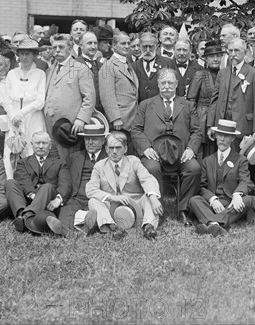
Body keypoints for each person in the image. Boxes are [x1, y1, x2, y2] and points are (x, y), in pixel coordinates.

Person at [131, 68, 202, 226]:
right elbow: (135, 130)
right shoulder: (146, 105)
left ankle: (183, 210)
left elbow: (197, 131)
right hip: (154, 154)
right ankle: (157, 209)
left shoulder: (188, 106)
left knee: (194, 168)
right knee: (151, 168)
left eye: (170, 82)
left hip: (181, 154)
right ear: (158, 84)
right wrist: (146, 149)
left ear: (177, 84)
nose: (167, 86)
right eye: (163, 82)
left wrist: (191, 149)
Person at [86, 131, 163, 240]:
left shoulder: (133, 161)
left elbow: (147, 179)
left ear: (125, 149)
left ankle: (148, 227)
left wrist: (153, 197)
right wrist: (112, 197)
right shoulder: (99, 166)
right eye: (111, 148)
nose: (114, 152)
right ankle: (114, 228)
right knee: (93, 201)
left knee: (149, 196)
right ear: (106, 149)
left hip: (135, 206)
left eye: (118, 148)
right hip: (112, 209)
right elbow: (90, 189)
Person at [188, 120, 254, 237]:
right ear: (216, 136)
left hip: (231, 204)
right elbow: (201, 187)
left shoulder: (240, 160)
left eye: (226, 136)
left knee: (247, 200)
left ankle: (212, 223)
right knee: (194, 200)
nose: (222, 139)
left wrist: (238, 194)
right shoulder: (207, 161)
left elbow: (246, 181)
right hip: (213, 205)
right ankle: (216, 225)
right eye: (220, 135)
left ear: (233, 138)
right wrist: (213, 199)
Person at [6, 131, 69, 235]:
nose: (40, 146)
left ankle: (25, 217)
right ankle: (22, 215)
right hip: (28, 199)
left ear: (50, 145)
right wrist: (33, 195)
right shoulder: (23, 162)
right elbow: (22, 179)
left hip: (49, 202)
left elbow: (66, 184)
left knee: (47, 186)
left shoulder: (60, 163)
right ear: (32, 144)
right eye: (37, 143)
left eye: (44, 143)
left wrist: (58, 199)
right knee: (10, 183)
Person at [207, 38, 255, 151]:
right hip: (222, 123)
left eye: (237, 51)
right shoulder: (222, 72)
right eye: (230, 51)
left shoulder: (253, 73)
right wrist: (210, 125)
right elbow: (214, 100)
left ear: (245, 51)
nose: (233, 54)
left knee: (239, 158)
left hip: (242, 124)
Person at [44, 35, 95, 160]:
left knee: (70, 161)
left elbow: (89, 97)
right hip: (49, 125)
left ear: (70, 48)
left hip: (69, 126)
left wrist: (81, 120)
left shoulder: (80, 69)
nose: (57, 50)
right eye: (54, 47)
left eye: (61, 47)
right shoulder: (50, 70)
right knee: (53, 161)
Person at [4, 38, 47, 177]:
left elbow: (40, 101)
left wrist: (21, 114)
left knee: (32, 149)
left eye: (28, 54)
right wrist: (13, 116)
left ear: (34, 55)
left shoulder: (40, 74)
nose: (24, 57)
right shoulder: (12, 73)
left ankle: (34, 184)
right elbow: (6, 99)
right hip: (13, 117)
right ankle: (11, 184)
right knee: (12, 149)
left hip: (33, 116)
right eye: (21, 54)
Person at [56, 123, 108, 234]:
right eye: (87, 139)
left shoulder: (109, 157)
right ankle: (67, 231)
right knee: (66, 211)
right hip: (77, 197)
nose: (90, 142)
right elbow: (66, 180)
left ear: (103, 141)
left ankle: (85, 227)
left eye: (94, 139)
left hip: (97, 198)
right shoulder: (74, 157)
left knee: (94, 213)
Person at [187, 41, 223, 159]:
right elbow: (191, 100)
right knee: (202, 151)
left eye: (218, 56)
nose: (215, 59)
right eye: (212, 56)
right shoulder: (200, 74)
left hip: (219, 116)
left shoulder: (224, 74)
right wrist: (193, 121)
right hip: (202, 117)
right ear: (206, 59)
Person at [99, 32, 139, 134]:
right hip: (120, 122)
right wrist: (115, 118)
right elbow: (107, 96)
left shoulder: (127, 64)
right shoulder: (108, 66)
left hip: (132, 120)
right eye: (123, 44)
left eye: (128, 43)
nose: (126, 46)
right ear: (114, 46)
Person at [132, 32, 180, 102]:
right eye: (144, 46)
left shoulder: (168, 63)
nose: (148, 50)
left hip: (162, 108)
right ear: (140, 46)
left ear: (157, 46)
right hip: (141, 109)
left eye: (151, 46)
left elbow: (177, 87)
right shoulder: (133, 66)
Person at [75, 31, 103, 112]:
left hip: (100, 114)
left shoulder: (102, 66)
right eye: (89, 43)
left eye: (95, 43)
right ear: (81, 46)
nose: (93, 46)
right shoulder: (74, 65)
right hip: (80, 112)